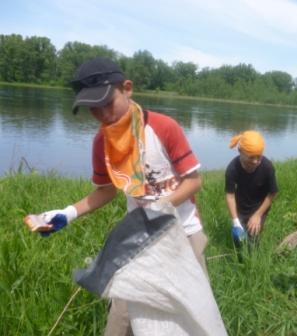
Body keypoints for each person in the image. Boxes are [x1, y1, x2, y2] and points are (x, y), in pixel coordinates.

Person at [30, 57, 209, 336]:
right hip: (138, 237)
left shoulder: (163, 127)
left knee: (193, 314)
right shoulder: (102, 142)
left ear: (127, 88)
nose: (103, 115)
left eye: (107, 103)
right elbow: (106, 190)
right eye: (93, 110)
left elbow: (194, 181)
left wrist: (160, 207)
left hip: (182, 232)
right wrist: (68, 212)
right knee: (120, 320)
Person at [225, 130, 278, 248]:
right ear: (240, 151)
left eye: (259, 157)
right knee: (238, 241)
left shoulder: (267, 167)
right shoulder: (232, 169)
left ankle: (254, 259)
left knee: (252, 240)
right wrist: (235, 220)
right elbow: (230, 195)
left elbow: (272, 193)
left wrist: (258, 215)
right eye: (251, 158)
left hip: (260, 206)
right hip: (241, 206)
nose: (255, 162)